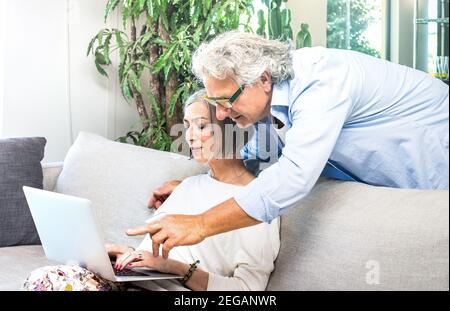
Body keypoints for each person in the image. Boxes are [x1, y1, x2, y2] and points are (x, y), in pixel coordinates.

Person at [126, 30, 449, 259]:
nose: (221, 114)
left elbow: (294, 175)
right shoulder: (270, 104)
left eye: (226, 101)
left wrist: (201, 223)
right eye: (215, 102)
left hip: (436, 153)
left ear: (264, 80)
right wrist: (196, 187)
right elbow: (253, 161)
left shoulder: (322, 82)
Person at [21, 89, 280, 291]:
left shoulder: (258, 203)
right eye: (186, 125)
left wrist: (175, 268)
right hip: (136, 283)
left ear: (233, 124)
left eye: (200, 126)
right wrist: (128, 255)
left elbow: (248, 291)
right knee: (46, 277)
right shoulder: (190, 186)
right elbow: (152, 256)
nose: (189, 136)